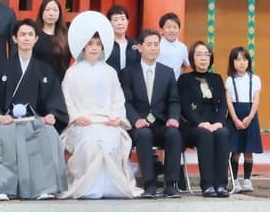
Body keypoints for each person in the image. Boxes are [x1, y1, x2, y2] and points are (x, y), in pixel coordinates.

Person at [0, 19, 68, 201]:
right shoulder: (1, 68)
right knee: (3, 137)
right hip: (8, 122)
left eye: (30, 35)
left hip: (35, 122)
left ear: (36, 39)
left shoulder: (45, 69)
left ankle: (44, 188)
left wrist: (52, 114)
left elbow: (53, 99)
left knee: (49, 134)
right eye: (22, 34)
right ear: (14, 38)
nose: (26, 38)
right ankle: (2, 188)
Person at [61, 28, 140, 198]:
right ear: (83, 47)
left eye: (98, 44)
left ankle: (111, 186)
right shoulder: (72, 72)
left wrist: (116, 119)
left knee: (110, 139)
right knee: (91, 142)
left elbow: (117, 99)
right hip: (82, 122)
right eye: (90, 44)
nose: (94, 48)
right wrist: (76, 118)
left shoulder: (110, 72)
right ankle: (86, 187)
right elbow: (67, 99)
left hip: (106, 120)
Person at [120, 28, 183, 198]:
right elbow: (126, 102)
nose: (153, 48)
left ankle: (171, 184)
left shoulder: (167, 72)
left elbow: (174, 101)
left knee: (174, 134)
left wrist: (173, 118)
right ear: (140, 47)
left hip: (161, 123)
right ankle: (149, 184)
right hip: (139, 125)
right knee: (144, 134)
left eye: (156, 44)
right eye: (149, 44)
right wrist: (136, 120)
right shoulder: (128, 73)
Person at [178, 41, 232, 197]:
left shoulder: (216, 78)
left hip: (215, 123)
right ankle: (207, 184)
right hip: (192, 125)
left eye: (206, 54)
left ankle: (221, 184)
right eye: (199, 54)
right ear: (192, 58)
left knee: (222, 133)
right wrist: (201, 123)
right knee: (205, 134)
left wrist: (218, 122)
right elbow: (186, 107)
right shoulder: (184, 79)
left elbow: (223, 104)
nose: (203, 58)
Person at [224, 46, 262, 193]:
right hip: (234, 116)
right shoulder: (229, 80)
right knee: (235, 150)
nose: (242, 63)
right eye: (238, 59)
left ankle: (247, 180)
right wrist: (235, 120)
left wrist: (250, 117)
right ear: (232, 62)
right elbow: (228, 102)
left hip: (250, 115)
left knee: (248, 149)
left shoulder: (255, 79)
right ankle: (234, 181)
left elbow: (256, 100)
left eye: (245, 59)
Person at [33, 0, 71, 79]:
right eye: (47, 10)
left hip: (58, 83)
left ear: (59, 13)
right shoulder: (34, 34)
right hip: (37, 81)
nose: (51, 13)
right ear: (41, 12)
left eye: (55, 10)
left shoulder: (65, 36)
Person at [104, 4, 138, 74]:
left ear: (128, 21)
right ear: (109, 23)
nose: (120, 23)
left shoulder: (135, 44)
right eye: (115, 20)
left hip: (130, 84)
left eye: (123, 19)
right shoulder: (104, 44)